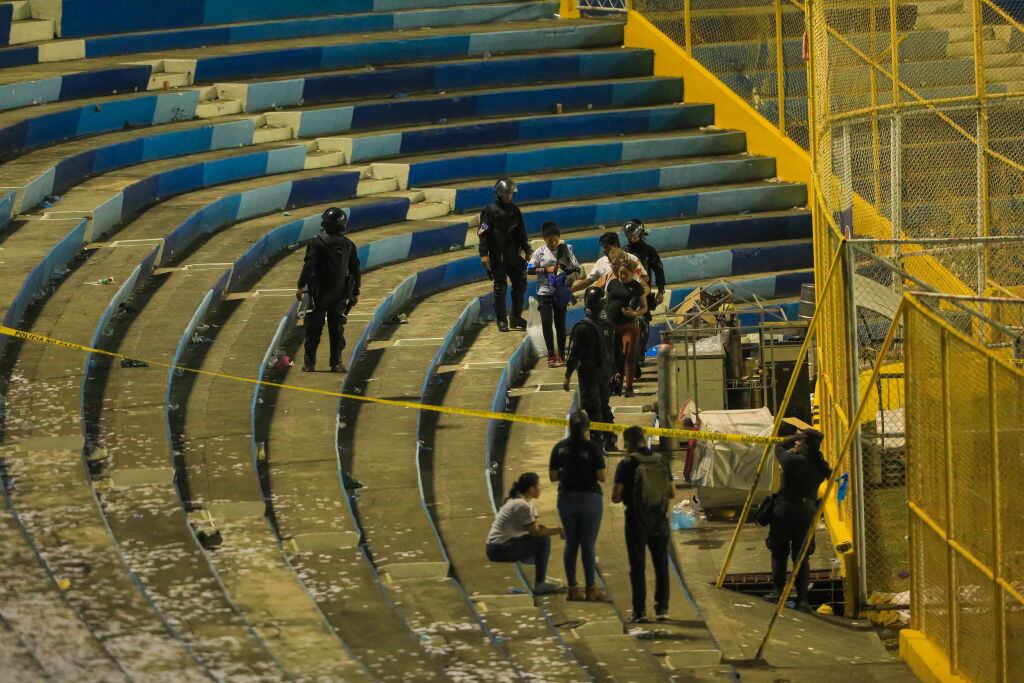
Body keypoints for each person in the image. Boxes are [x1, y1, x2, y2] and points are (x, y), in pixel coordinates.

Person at [612, 426, 674, 623]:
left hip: (636, 520)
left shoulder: (626, 464)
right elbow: (672, 492)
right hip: (660, 519)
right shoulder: (660, 461)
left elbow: (615, 497)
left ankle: (640, 611)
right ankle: (662, 609)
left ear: (628, 443)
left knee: (638, 566)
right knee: (661, 564)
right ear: (643, 440)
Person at [766, 429, 830, 611]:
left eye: (798, 440)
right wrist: (801, 439)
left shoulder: (793, 461)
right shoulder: (819, 465)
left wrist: (792, 437)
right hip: (807, 512)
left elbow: (778, 446)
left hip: (786, 510)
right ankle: (802, 599)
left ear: (805, 444)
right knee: (801, 556)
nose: (795, 443)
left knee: (779, 551)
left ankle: (778, 591)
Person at [550, 410, 608, 602]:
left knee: (571, 544)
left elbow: (553, 477)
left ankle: (573, 588)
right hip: (589, 499)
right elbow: (602, 477)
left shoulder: (559, 448)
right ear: (587, 428)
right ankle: (591, 588)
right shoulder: (592, 448)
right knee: (588, 546)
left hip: (566, 499)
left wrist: (567, 471)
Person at [296, 207, 360, 373]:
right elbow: (355, 269)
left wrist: (300, 286)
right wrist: (355, 292)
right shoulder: (348, 245)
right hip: (339, 294)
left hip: (318, 293)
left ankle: (309, 363)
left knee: (313, 330)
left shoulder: (317, 243)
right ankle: (336, 362)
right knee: (337, 330)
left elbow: (309, 266)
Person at [486, 472, 564, 595]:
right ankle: (540, 583)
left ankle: (541, 576)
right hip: (497, 548)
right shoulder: (521, 505)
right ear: (531, 489)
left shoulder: (528, 502)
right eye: (538, 485)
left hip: (503, 544)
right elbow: (536, 533)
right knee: (543, 540)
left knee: (542, 540)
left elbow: (536, 527)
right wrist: (560, 530)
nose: (541, 488)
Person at [564, 287, 621, 452]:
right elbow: (615, 352)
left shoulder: (582, 328)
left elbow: (574, 355)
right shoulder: (609, 325)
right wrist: (616, 371)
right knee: (604, 405)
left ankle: (597, 444)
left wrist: (567, 376)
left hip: (589, 375)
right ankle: (610, 440)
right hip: (606, 373)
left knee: (593, 408)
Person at [479, 177, 530, 333]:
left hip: (513, 254)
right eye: (506, 194)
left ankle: (515, 317)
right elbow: (484, 233)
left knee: (520, 284)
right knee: (500, 287)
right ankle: (501, 320)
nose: (509, 196)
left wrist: (527, 249)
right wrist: (484, 254)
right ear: (499, 194)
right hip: (497, 255)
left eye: (511, 194)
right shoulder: (490, 210)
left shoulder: (515, 210)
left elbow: (521, 232)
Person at [529, 221, 580, 367]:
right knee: (546, 322)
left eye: (555, 240)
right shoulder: (539, 252)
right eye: (549, 240)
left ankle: (562, 355)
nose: (552, 243)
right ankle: (551, 355)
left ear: (559, 238)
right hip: (544, 292)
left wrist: (571, 278)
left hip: (561, 292)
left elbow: (577, 269)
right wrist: (546, 270)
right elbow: (529, 269)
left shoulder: (566, 250)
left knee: (560, 324)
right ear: (544, 239)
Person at [623, 219, 666, 364]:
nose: (632, 237)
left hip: (644, 294)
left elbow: (659, 270)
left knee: (644, 325)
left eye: (634, 234)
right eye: (630, 235)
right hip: (626, 294)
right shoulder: (624, 251)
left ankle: (640, 353)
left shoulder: (649, 251)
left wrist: (661, 290)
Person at [604, 261, 648, 398]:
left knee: (629, 354)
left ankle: (628, 387)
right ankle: (613, 382)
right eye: (620, 273)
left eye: (625, 274)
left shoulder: (637, 287)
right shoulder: (612, 283)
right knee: (610, 355)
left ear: (633, 273)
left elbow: (644, 307)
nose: (621, 276)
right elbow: (606, 301)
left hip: (628, 326)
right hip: (611, 324)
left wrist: (634, 314)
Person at [572, 232, 649, 293]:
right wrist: (572, 289)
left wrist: (632, 291)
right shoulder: (601, 262)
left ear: (615, 245)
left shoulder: (632, 259)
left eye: (605, 247)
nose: (603, 250)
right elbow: (589, 280)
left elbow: (644, 278)